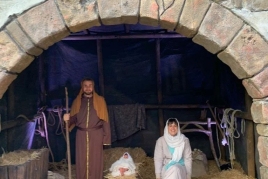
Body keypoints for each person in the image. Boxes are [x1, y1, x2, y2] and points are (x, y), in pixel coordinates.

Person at [63, 78, 111, 179]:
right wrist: (66, 119)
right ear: (82, 87)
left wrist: (106, 138)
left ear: (93, 87)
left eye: (90, 85)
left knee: (96, 160)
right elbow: (72, 120)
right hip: (81, 135)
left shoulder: (101, 101)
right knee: (81, 159)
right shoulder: (77, 101)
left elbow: (105, 120)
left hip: (96, 134)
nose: (88, 88)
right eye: (85, 85)